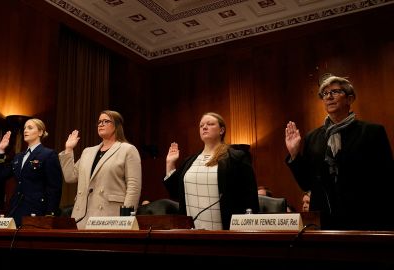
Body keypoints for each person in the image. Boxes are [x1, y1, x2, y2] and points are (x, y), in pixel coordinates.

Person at [285, 75, 394, 230]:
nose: (329, 97)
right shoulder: (313, 137)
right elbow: (307, 183)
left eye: (335, 92)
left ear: (350, 99)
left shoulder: (371, 132)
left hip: (365, 219)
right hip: (326, 221)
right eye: (325, 94)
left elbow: (387, 180)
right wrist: (294, 154)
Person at [164, 112, 259, 230]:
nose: (204, 127)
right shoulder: (190, 161)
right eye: (201, 125)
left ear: (221, 130)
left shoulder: (236, 158)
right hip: (191, 232)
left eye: (210, 124)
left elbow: (250, 197)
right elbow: (175, 192)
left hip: (225, 232)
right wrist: (170, 163)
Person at [59, 110, 142, 229]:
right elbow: (70, 176)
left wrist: (126, 218)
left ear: (116, 125)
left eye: (106, 121)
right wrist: (68, 150)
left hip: (111, 216)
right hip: (82, 217)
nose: (101, 124)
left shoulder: (127, 150)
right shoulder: (88, 152)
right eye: (99, 122)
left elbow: (134, 186)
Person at [0, 118, 63, 226]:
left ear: (40, 132)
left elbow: (54, 187)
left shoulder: (48, 154)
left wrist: (50, 214)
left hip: (37, 210)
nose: (25, 131)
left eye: (30, 128)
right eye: (24, 128)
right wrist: (1, 151)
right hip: (16, 209)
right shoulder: (19, 157)